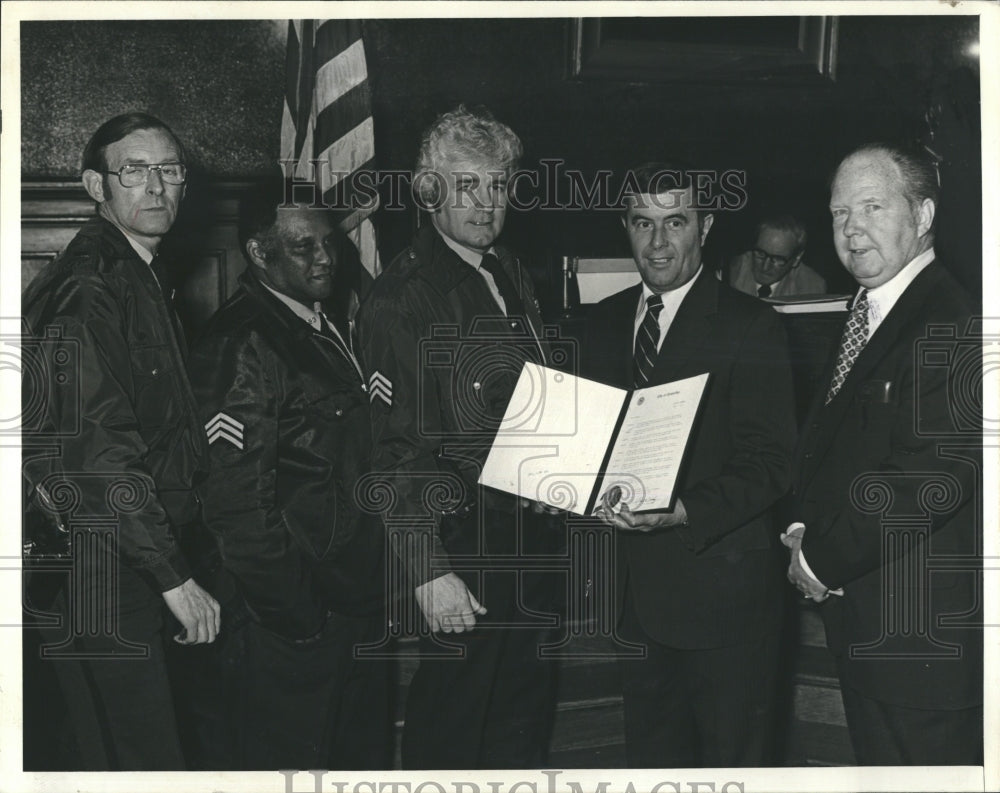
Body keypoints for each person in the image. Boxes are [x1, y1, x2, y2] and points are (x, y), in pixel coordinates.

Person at [357, 105, 560, 769]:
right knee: (453, 723)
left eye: (498, 186)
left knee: (520, 716)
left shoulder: (507, 271)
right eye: (466, 186)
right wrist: (428, 568)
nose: (486, 203)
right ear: (428, 191)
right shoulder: (404, 295)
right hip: (460, 541)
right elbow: (394, 450)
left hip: (527, 531)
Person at [21, 112, 220, 770]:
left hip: (132, 550)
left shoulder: (137, 273)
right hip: (107, 560)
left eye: (170, 170)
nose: (157, 186)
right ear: (95, 185)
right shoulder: (90, 286)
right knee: (132, 759)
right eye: (135, 171)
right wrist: (173, 576)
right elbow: (99, 451)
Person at [589, 163, 797, 767]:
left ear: (704, 226)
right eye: (642, 223)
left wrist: (683, 511)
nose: (657, 243)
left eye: (674, 222)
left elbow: (771, 464)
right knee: (653, 768)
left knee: (734, 767)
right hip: (633, 599)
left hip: (723, 598)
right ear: (625, 228)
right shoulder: (602, 321)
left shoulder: (750, 324)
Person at [783, 142, 982, 765]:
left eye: (872, 206)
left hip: (920, 639)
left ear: (923, 216)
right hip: (875, 623)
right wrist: (802, 523)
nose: (851, 228)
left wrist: (818, 559)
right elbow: (841, 445)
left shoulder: (951, 318)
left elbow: (930, 476)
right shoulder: (872, 308)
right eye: (840, 213)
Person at [186, 177, 390, 769]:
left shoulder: (319, 324)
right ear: (259, 251)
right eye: (303, 247)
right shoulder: (243, 339)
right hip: (293, 624)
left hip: (349, 602)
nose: (325, 257)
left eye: (329, 241)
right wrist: (298, 613)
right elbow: (234, 507)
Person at [729, 212, 827, 298]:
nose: (765, 267)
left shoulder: (812, 287)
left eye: (778, 259)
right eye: (760, 253)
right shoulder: (730, 273)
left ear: (797, 259)